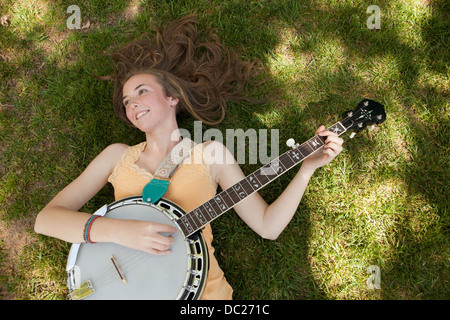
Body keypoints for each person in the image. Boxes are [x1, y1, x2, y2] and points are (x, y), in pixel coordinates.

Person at [34, 15, 344, 299]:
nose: (132, 104)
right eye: (127, 101)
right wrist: (120, 231)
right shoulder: (117, 156)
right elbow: (46, 220)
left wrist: (306, 170)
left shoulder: (210, 153)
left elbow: (268, 226)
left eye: (142, 91)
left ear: (172, 98)